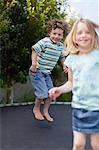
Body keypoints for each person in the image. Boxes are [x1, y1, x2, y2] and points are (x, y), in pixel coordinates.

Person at [49, 18, 99, 149]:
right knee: (78, 144)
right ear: (74, 37)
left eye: (88, 32)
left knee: (96, 144)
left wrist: (96, 25)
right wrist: (59, 89)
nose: (83, 35)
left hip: (97, 108)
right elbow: (71, 83)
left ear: (94, 35)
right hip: (79, 108)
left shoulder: (97, 56)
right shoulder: (71, 59)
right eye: (79, 32)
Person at [29, 19, 69, 122]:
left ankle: (45, 111)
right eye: (54, 33)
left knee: (51, 94)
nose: (56, 36)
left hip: (46, 73)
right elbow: (34, 50)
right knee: (42, 93)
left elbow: (61, 57)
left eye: (59, 35)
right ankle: (36, 109)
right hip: (37, 71)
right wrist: (34, 64)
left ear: (63, 35)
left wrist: (64, 65)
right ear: (49, 32)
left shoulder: (60, 46)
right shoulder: (45, 41)